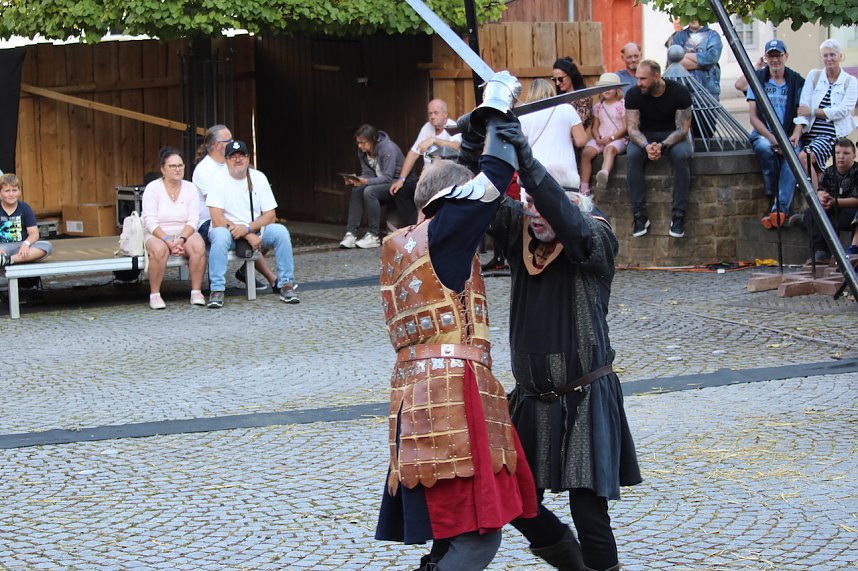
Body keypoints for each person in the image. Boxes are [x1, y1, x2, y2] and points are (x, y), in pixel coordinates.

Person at [375, 73, 537, 571]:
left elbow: (463, 182)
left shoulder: (410, 240)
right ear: (451, 203)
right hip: (449, 399)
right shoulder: (445, 235)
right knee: (475, 541)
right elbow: (489, 179)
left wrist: (470, 132)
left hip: (417, 395)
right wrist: (498, 110)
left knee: (449, 541)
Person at [489, 123, 641, 571]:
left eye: (544, 203)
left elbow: (570, 225)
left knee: (589, 512)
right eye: (530, 203)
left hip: (585, 396)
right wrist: (484, 142)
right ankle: (571, 562)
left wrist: (531, 167)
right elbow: (485, 201)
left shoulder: (595, 237)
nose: (535, 213)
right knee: (515, 498)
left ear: (573, 200)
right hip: (533, 402)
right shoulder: (522, 237)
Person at [206, 141, 298, 308]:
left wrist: (248, 229)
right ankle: (217, 289)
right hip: (228, 231)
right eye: (232, 157)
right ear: (226, 160)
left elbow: (270, 215)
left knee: (280, 232)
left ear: (248, 158)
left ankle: (286, 285)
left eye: (241, 156)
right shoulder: (217, 180)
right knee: (219, 236)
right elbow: (216, 218)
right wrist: (246, 233)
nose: (237, 159)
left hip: (254, 228)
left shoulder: (259, 177)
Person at [193, 124, 276, 290]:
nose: (233, 142)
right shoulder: (204, 170)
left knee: (269, 229)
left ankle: (247, 271)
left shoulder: (230, 162)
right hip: (208, 222)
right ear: (217, 145)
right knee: (247, 234)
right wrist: (247, 233)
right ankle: (273, 279)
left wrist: (248, 227)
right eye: (229, 140)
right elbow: (217, 212)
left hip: (236, 219)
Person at [733, 40, 806, 229]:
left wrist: (795, 134)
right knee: (766, 149)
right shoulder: (757, 78)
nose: (775, 60)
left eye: (778, 55)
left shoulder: (796, 80)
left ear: (786, 57)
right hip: (764, 133)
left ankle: (778, 210)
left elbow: (801, 112)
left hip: (789, 134)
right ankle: (772, 193)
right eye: (771, 56)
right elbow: (753, 118)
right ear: (766, 58)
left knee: (793, 157)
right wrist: (774, 139)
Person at [625, 59, 693, 238]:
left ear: (656, 76)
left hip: (672, 135)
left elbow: (683, 130)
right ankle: (639, 215)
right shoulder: (633, 94)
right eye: (637, 78)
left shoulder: (679, 92)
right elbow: (632, 129)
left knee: (681, 156)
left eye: (643, 79)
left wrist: (662, 146)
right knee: (632, 156)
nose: (638, 83)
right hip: (645, 136)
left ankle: (678, 215)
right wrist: (647, 146)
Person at [140, 148, 207, 309]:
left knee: (199, 246)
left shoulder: (190, 188)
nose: (177, 169)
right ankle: (155, 294)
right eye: (172, 166)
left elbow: (193, 219)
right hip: (158, 232)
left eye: (180, 165)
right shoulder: (152, 188)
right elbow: (150, 221)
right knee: (158, 250)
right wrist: (169, 242)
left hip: (184, 231)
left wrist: (182, 239)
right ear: (163, 169)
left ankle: (196, 291)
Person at [792, 39, 857, 191]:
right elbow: (803, 108)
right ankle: (826, 202)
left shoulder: (850, 81)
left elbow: (843, 111)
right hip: (809, 132)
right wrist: (797, 132)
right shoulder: (814, 76)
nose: (829, 59)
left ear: (841, 56)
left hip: (830, 135)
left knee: (805, 158)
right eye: (825, 55)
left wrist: (814, 111)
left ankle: (817, 201)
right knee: (816, 169)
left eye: (832, 55)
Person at [389, 98, 462, 225]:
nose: (432, 116)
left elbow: (456, 146)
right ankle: (412, 226)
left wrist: (434, 140)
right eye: (430, 113)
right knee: (401, 191)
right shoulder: (427, 127)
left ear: (445, 114)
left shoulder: (453, 127)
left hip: (444, 180)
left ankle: (416, 228)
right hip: (425, 178)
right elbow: (413, 153)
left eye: (436, 113)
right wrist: (401, 180)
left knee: (425, 198)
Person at [339, 124, 413, 249]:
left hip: (396, 183)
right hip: (381, 182)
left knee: (369, 191)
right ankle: (351, 234)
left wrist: (365, 182)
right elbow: (368, 174)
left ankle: (373, 235)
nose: (360, 146)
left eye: (363, 143)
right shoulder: (362, 152)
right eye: (358, 143)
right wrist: (357, 180)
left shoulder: (387, 148)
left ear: (373, 140)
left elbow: (388, 177)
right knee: (357, 190)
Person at [791, 138, 858, 263]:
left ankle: (805, 222)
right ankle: (820, 252)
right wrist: (822, 197)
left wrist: (835, 202)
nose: (841, 157)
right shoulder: (829, 171)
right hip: (832, 207)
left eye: (846, 153)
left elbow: (856, 200)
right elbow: (821, 189)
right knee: (812, 213)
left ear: (853, 155)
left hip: (850, 212)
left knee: (825, 219)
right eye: (837, 153)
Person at [519, 78, 588, 190]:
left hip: (536, 173)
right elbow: (581, 140)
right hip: (565, 172)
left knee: (535, 207)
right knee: (567, 206)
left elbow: (520, 147)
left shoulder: (523, 116)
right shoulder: (567, 109)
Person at [580, 73, 628, 195]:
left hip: (617, 137)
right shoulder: (599, 106)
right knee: (586, 153)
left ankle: (604, 173)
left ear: (617, 89)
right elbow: (595, 127)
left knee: (609, 149)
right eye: (604, 87)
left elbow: (625, 127)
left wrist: (612, 138)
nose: (607, 90)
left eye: (610, 87)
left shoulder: (622, 104)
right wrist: (596, 137)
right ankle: (584, 186)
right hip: (601, 137)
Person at [0, 173, 53, 268]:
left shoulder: (25, 208)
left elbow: (34, 233)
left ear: (19, 191)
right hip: (2, 247)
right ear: (0, 192)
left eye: (14, 190)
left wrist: (26, 243)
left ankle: (9, 260)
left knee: (46, 246)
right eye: (7, 191)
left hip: (20, 247)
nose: (11, 194)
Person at [671, 19, 723, 100]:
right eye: (690, 16)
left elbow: (711, 59)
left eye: (697, 16)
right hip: (685, 88)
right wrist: (704, 64)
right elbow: (675, 61)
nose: (693, 19)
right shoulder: (679, 37)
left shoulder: (713, 35)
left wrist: (685, 55)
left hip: (709, 89)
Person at [552, 57, 593, 132]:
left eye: (560, 79)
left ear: (571, 75)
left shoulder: (584, 98)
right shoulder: (556, 98)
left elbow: (578, 125)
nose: (557, 83)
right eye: (554, 80)